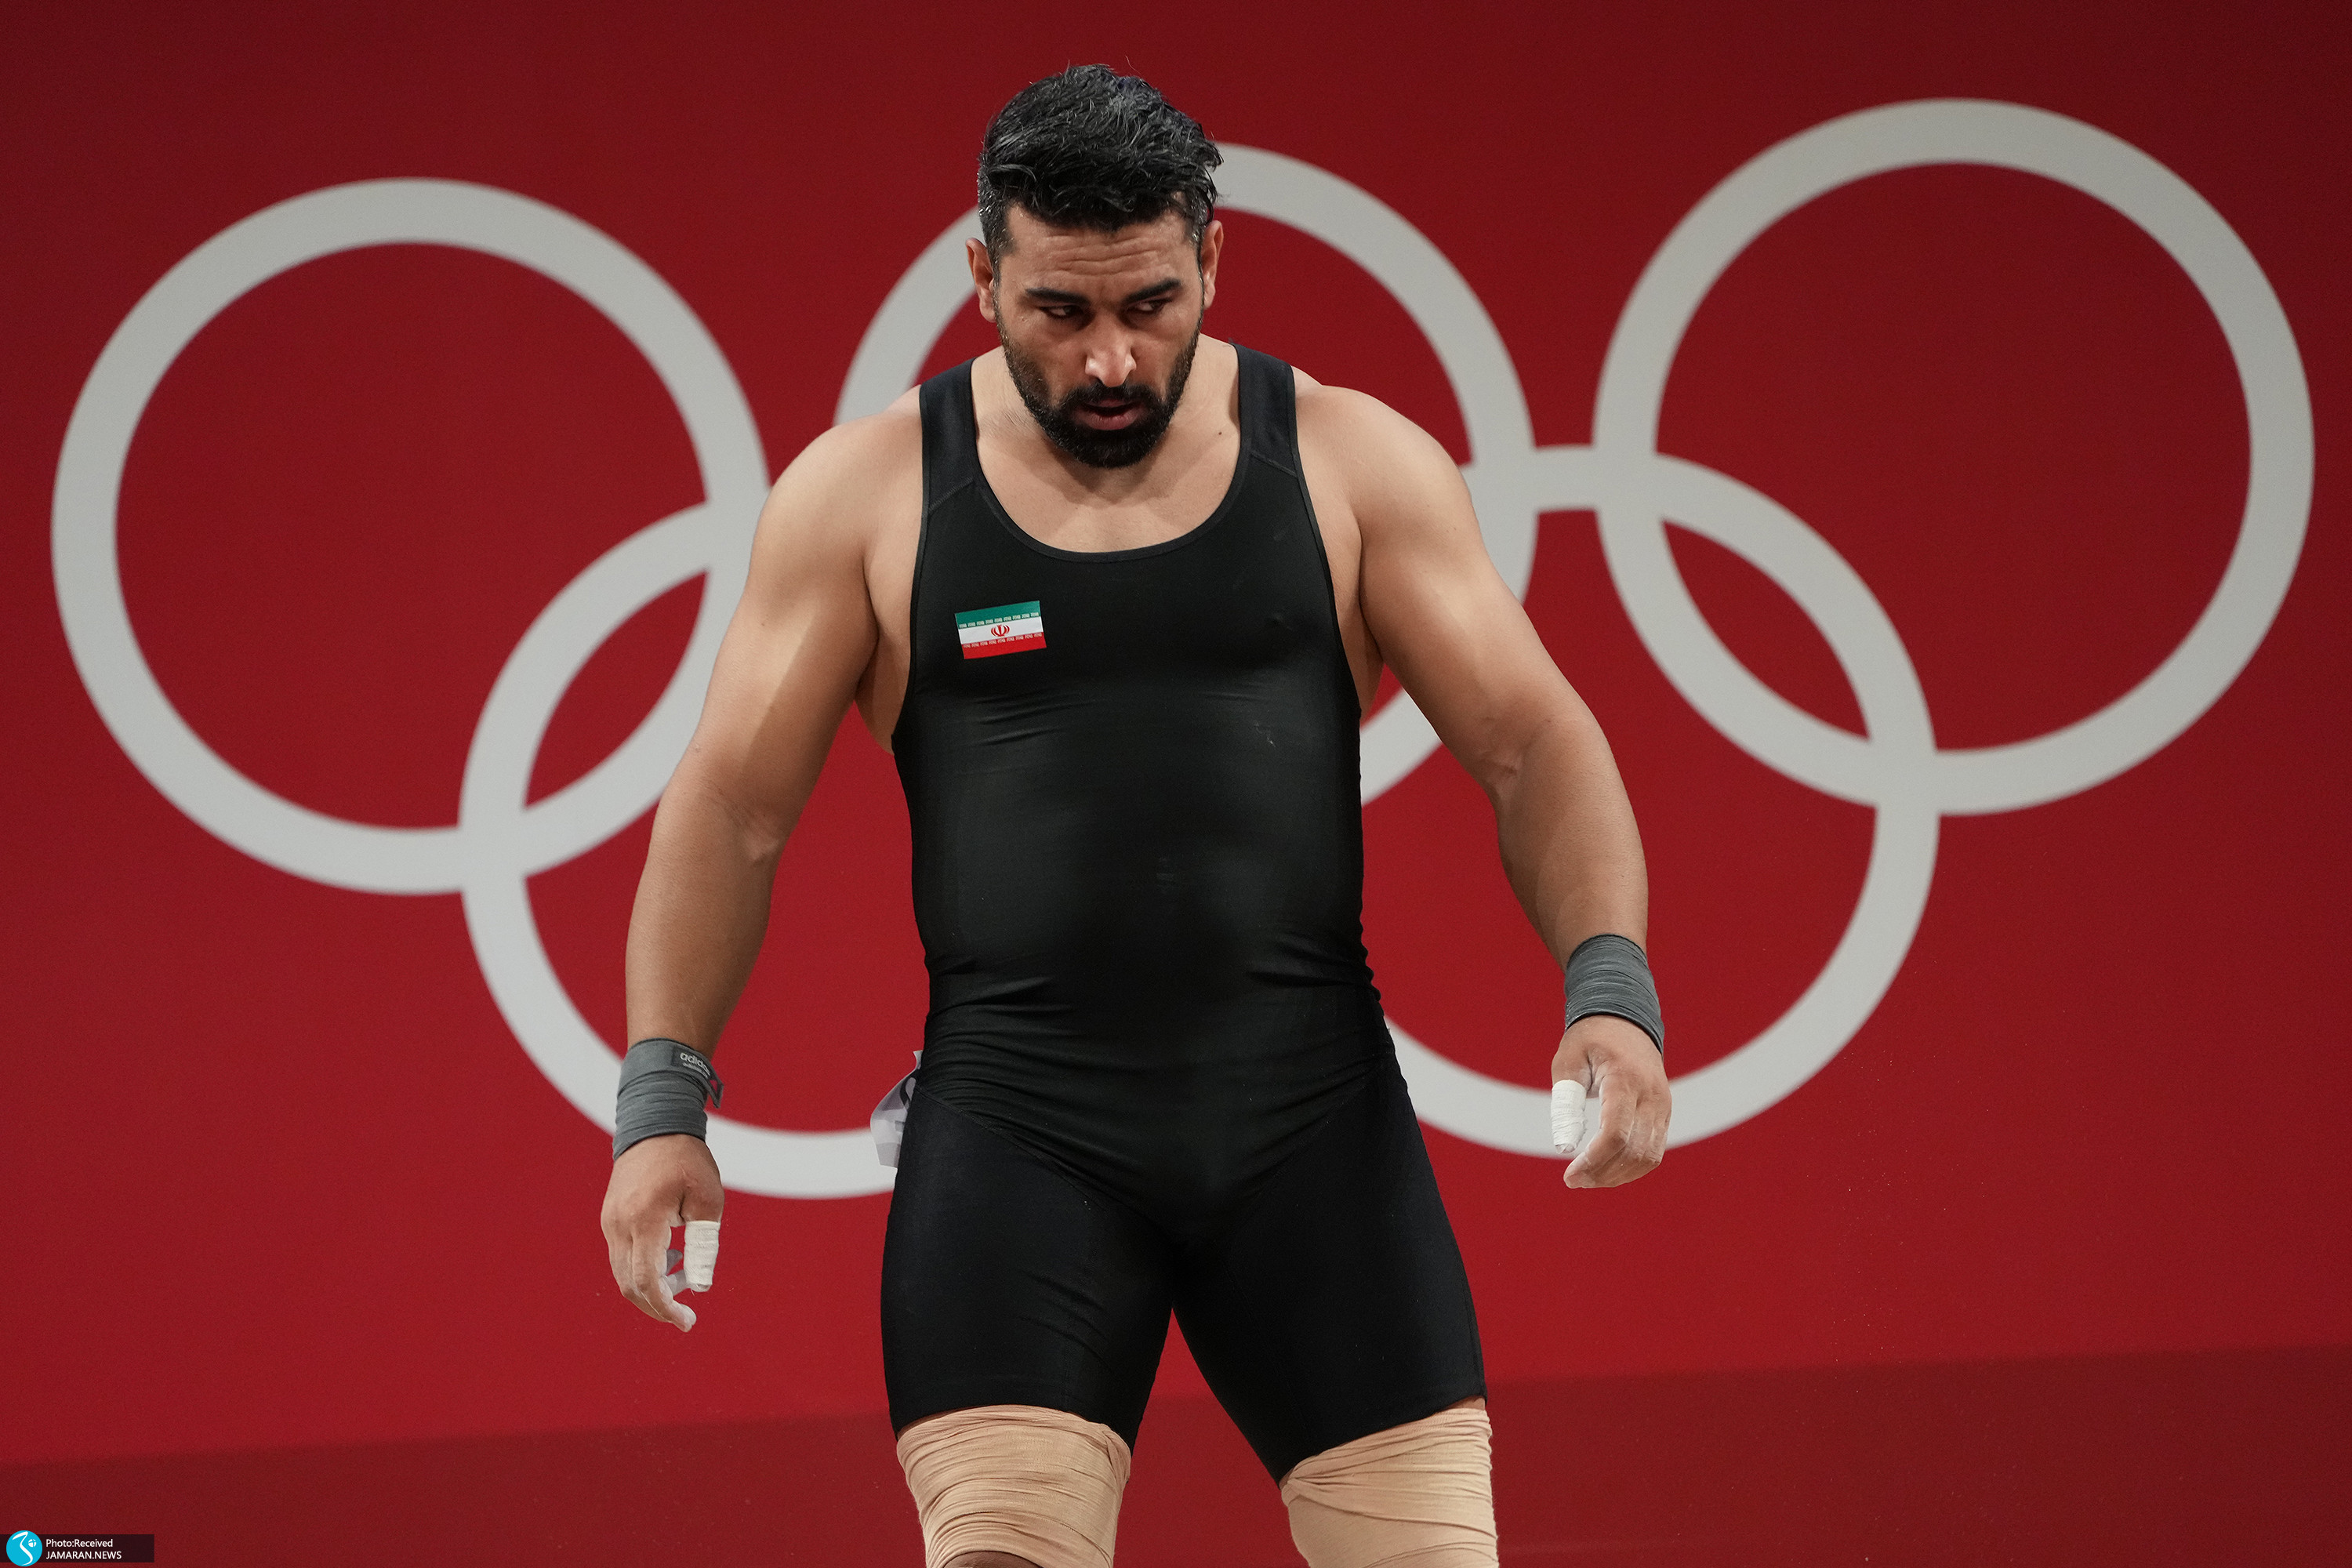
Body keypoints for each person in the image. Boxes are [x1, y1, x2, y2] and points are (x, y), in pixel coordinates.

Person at [600, 64, 1670, 1568]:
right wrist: (662, 1106)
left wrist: (1610, 987)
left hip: (1314, 1135)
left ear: (1213, 260)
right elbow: (731, 809)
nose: (1109, 357)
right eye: (1059, 311)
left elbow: (1531, 741)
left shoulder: (1352, 462)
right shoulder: (866, 496)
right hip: (1018, 1139)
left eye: (1151, 305)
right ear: (983, 278)